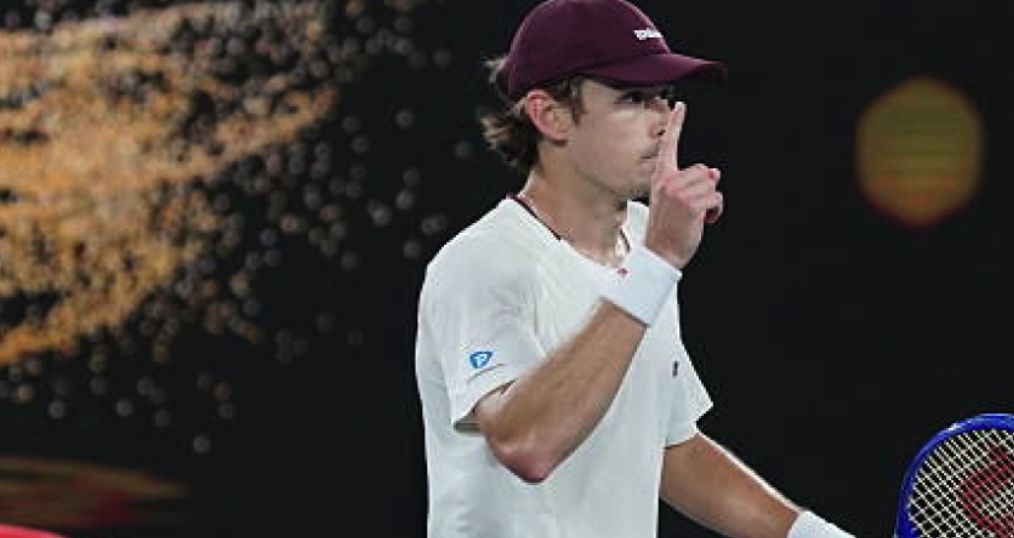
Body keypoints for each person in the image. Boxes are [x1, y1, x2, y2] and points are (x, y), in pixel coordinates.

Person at [413, 1, 859, 537]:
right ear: (549, 115)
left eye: (663, 98)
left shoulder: (643, 244)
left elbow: (674, 450)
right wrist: (658, 263)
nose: (662, 122)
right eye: (632, 99)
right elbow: (525, 443)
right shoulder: (480, 264)